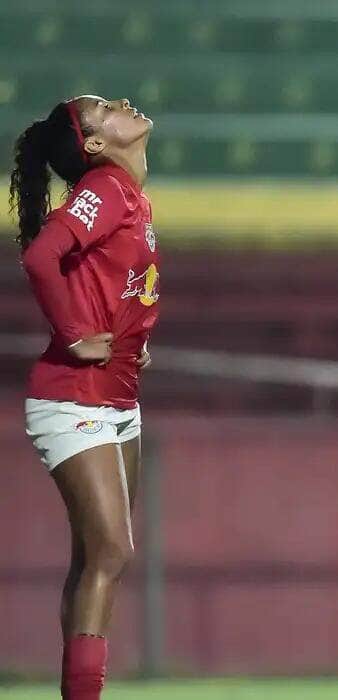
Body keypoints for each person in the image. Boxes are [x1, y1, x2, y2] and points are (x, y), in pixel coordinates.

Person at [10, 95, 158, 700]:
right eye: (105, 109)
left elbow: (108, 281)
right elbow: (43, 255)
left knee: (95, 560)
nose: (123, 103)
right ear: (95, 144)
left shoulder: (127, 193)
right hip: (75, 399)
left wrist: (128, 338)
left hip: (116, 397)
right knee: (111, 551)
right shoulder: (107, 188)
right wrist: (74, 336)